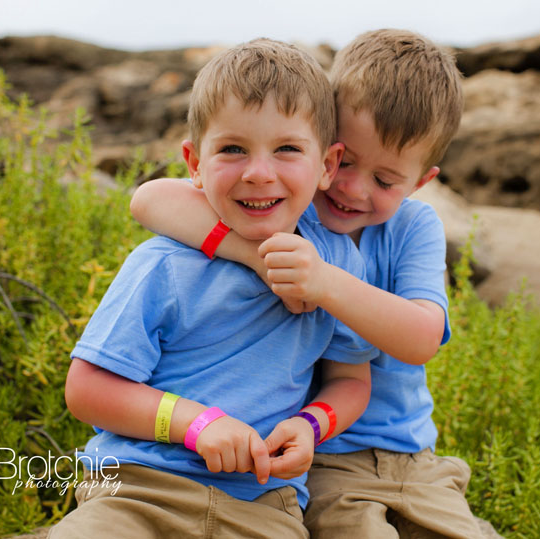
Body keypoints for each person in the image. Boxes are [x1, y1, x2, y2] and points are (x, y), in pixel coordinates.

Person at [129, 29, 484, 538]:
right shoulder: (290, 211)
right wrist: (258, 256)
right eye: (346, 162)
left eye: (385, 181)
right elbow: (149, 200)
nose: (353, 188)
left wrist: (324, 282)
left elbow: (422, 338)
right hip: (320, 455)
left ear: (421, 182)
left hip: (412, 451)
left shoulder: (413, 227)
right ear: (326, 150)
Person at [51, 38, 377, 539]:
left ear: (328, 166)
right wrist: (198, 424)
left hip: (264, 504)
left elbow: (351, 380)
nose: (258, 173)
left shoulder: (338, 266)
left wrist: (313, 424)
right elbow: (87, 390)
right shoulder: (164, 264)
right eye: (232, 149)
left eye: (287, 148)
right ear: (194, 163)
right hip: (138, 490)